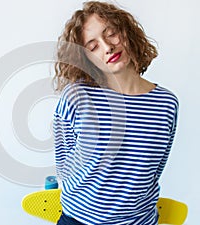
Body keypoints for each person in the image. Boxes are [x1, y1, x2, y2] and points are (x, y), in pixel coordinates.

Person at [52, 1, 179, 224]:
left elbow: (152, 171)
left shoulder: (166, 103)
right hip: (78, 220)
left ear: (127, 32)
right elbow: (65, 165)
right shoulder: (77, 97)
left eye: (111, 33)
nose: (107, 47)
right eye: (93, 47)